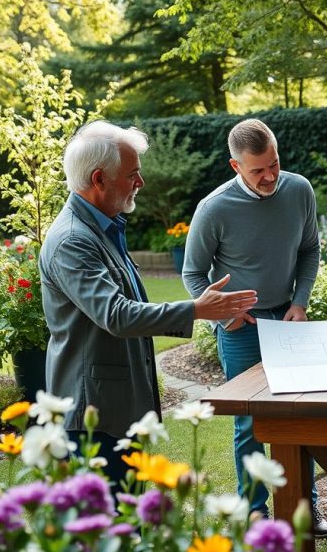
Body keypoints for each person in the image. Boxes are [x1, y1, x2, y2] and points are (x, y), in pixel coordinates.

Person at [39, 120, 258, 490]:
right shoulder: (72, 241)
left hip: (117, 408)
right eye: (133, 174)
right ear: (99, 179)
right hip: (95, 415)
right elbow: (117, 314)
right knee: (110, 532)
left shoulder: (103, 225)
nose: (140, 182)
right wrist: (197, 309)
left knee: (131, 527)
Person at [183, 118, 327, 537]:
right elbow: (193, 275)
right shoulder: (213, 208)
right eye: (257, 170)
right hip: (240, 328)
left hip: (289, 317)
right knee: (250, 422)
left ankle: (306, 509)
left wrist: (301, 302)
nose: (270, 176)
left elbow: (309, 249)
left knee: (299, 414)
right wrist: (224, 315)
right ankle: (255, 512)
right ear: (235, 166)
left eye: (274, 164)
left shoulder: (299, 189)